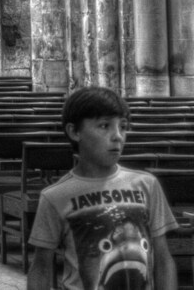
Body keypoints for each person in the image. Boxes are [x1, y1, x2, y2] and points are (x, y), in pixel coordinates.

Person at [27, 87, 178, 290]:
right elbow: (42, 267)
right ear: (74, 131)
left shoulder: (147, 184)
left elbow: (162, 258)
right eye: (104, 126)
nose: (118, 136)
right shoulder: (55, 196)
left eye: (123, 127)